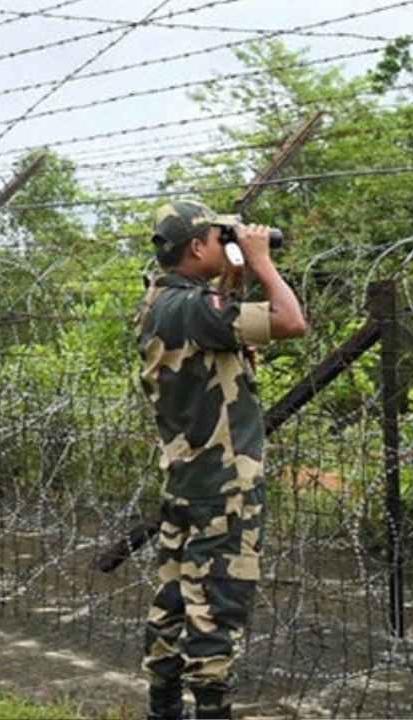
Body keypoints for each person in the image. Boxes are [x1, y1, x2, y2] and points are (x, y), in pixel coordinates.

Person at [133, 200, 307, 720]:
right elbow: (290, 321)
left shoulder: (162, 301)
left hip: (188, 480)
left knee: (173, 599)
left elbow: (221, 324)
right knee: (216, 607)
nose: (224, 242)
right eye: (216, 236)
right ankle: (211, 710)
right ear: (195, 246)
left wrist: (232, 273)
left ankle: (162, 708)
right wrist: (261, 261)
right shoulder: (191, 309)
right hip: (224, 486)